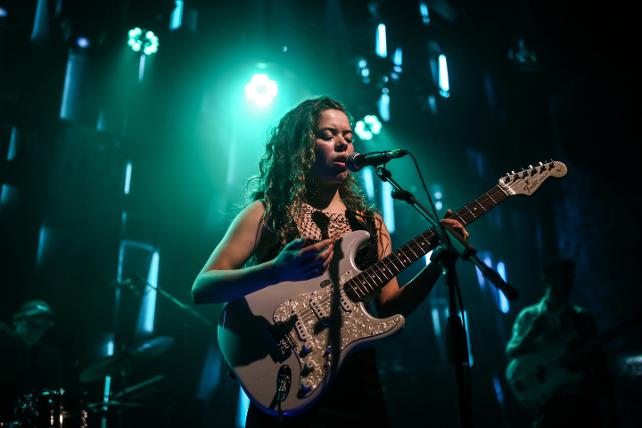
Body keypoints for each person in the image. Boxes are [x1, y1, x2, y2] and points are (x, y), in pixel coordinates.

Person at [192, 96, 469, 427]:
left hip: (356, 387)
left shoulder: (370, 223)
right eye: (327, 135)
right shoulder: (268, 213)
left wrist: (435, 265)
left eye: (348, 137)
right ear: (300, 147)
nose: (342, 144)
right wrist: (276, 270)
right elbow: (203, 287)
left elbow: (391, 305)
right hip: (287, 376)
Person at [505, 258, 617, 427]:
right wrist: (532, 333)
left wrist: (609, 405)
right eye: (562, 275)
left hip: (582, 405)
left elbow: (599, 365)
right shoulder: (528, 316)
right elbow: (511, 352)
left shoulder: (582, 317)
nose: (567, 280)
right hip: (547, 409)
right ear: (547, 277)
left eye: (570, 276)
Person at [0, 300, 64, 422]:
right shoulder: (3, 347)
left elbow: (55, 392)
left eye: (41, 326)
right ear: (16, 320)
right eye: (32, 323)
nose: (35, 329)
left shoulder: (50, 356)